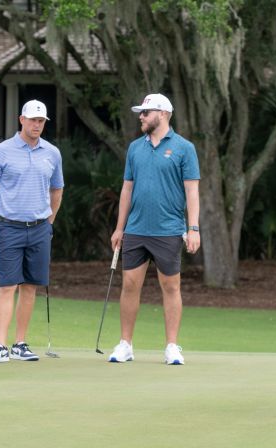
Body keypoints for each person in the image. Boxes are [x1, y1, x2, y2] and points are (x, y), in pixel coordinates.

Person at [108, 93, 200, 365]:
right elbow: (127, 189)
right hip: (136, 229)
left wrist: (193, 228)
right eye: (141, 112)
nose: (141, 116)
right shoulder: (135, 148)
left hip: (168, 229)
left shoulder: (184, 148)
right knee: (129, 284)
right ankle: (125, 344)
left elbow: (192, 191)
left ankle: (172, 346)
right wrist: (119, 228)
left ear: (163, 114)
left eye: (146, 112)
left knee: (171, 286)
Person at [0, 100, 64, 364]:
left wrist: (49, 222)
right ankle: (0, 345)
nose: (37, 125)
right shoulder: (1, 151)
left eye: (41, 121)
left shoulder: (52, 153)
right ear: (21, 120)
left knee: (30, 287)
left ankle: (20, 343)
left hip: (39, 229)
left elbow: (57, 189)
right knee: (7, 286)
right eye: (33, 120)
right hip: (8, 227)